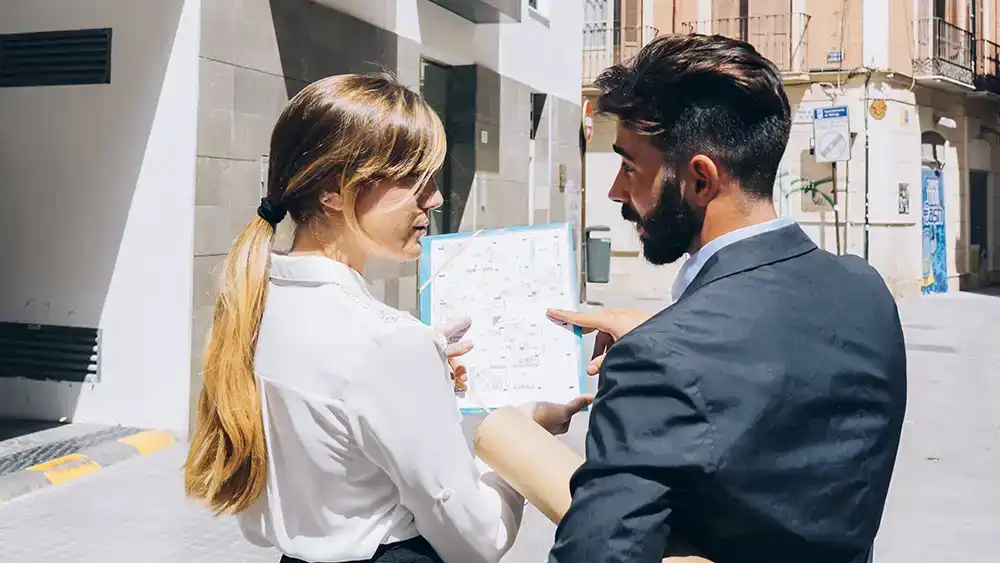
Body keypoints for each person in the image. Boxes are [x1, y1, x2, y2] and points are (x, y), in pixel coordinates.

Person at [182, 73, 591, 563]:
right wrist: (522, 428)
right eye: (414, 180)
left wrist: (421, 365)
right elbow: (477, 540)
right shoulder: (386, 344)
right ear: (334, 191)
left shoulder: (254, 303)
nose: (435, 198)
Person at [546, 34, 907, 563]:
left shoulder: (659, 362)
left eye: (629, 167)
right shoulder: (866, 290)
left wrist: (658, 352)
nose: (616, 192)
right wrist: (665, 333)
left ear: (699, 179)